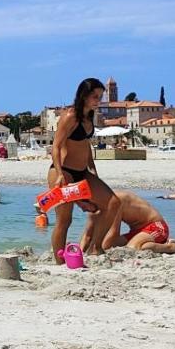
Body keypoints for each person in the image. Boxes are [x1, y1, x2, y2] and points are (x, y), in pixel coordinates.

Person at [49, 78, 120, 261]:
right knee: (64, 220)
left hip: (83, 172)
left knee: (113, 203)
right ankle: (59, 262)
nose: (98, 100)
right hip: (64, 171)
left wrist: (92, 168)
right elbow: (56, 146)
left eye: (100, 97)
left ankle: (95, 247)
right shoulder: (70, 116)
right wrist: (59, 174)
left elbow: (85, 144)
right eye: (95, 96)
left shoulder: (89, 115)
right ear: (84, 95)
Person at [94, 191, 175, 253]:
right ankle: (158, 243)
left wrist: (99, 249)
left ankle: (172, 247)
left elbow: (113, 232)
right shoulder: (106, 199)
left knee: (133, 248)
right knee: (113, 244)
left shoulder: (114, 201)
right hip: (137, 232)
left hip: (156, 227)